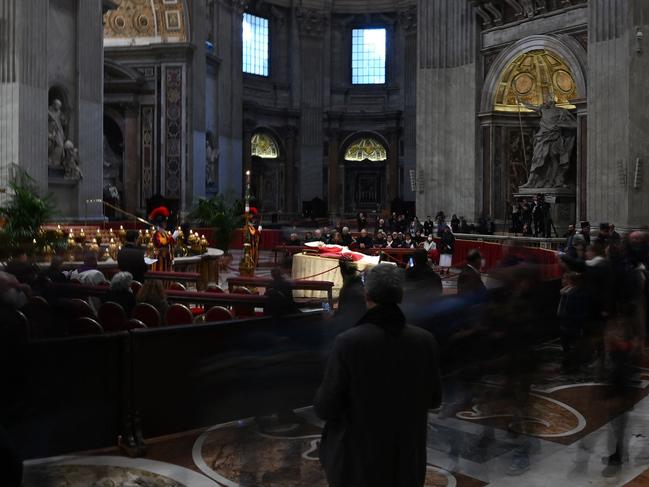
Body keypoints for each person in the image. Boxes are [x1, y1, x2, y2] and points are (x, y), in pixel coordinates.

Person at [314, 264, 442, 487]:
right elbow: (434, 399)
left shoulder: (349, 342)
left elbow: (326, 406)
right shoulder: (425, 341)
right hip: (405, 462)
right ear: (401, 295)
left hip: (359, 463)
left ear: (367, 295)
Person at [149, 206, 175, 273]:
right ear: (161, 223)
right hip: (160, 259)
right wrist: (171, 239)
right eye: (164, 222)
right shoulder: (156, 234)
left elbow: (171, 243)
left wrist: (174, 239)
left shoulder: (166, 233)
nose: (166, 224)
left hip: (167, 258)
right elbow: (161, 243)